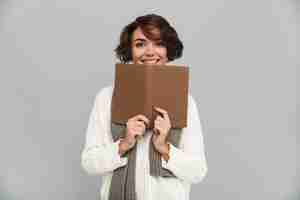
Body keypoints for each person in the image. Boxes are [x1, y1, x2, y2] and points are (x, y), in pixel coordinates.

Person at [81, 14, 208, 200]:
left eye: (158, 43)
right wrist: (124, 144)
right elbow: (89, 163)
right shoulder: (107, 97)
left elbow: (198, 171)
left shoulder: (185, 101)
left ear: (168, 50)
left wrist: (164, 147)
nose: (150, 52)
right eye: (140, 44)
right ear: (130, 50)